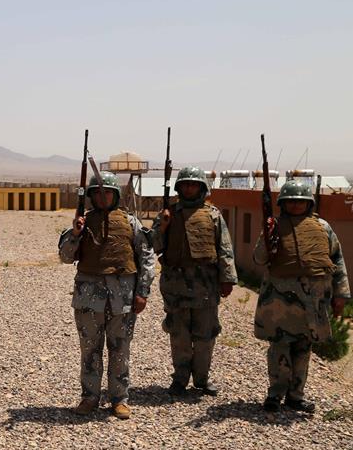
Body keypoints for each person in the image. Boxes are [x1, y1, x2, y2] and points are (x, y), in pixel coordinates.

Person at [58, 172, 155, 419]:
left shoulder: (130, 223)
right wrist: (76, 234)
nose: (103, 198)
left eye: (108, 193)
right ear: (91, 196)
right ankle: (89, 397)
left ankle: (119, 399)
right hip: (88, 299)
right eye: (98, 193)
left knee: (120, 350)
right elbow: (66, 257)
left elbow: (146, 258)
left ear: (116, 195)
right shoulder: (81, 224)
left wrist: (142, 292)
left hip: (123, 299)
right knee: (90, 351)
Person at [253, 179, 350, 413]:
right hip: (279, 300)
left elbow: (337, 260)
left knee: (303, 349)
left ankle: (296, 396)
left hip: (312, 300)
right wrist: (268, 239)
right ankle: (275, 394)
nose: (296, 206)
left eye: (300, 201)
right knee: (279, 348)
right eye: (291, 201)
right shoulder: (273, 226)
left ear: (309, 203)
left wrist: (341, 294)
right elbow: (259, 258)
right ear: (282, 203)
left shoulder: (323, 228)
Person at [152, 167, 237, 396]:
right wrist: (164, 226)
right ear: (179, 187)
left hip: (205, 285)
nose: (189, 188)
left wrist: (227, 278)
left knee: (205, 335)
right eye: (185, 184)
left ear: (202, 188)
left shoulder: (213, 215)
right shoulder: (167, 214)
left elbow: (224, 249)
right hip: (175, 285)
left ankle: (201, 379)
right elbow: (153, 245)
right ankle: (180, 379)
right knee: (179, 334)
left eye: (194, 185)